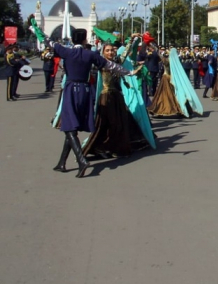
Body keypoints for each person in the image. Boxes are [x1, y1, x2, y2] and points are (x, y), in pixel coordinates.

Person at [39, 25, 134, 178]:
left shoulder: (66, 52)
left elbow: (47, 40)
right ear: (84, 40)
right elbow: (111, 65)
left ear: (72, 39)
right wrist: (129, 72)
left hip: (71, 90)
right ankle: (62, 163)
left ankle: (81, 160)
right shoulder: (90, 54)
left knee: (68, 126)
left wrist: (34, 28)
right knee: (71, 128)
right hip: (85, 91)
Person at [83, 43, 145, 158]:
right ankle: (100, 146)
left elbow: (125, 54)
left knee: (122, 121)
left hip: (116, 96)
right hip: (106, 97)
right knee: (106, 123)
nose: (110, 52)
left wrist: (132, 40)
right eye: (107, 50)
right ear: (103, 52)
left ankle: (118, 146)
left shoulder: (116, 62)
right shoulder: (100, 62)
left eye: (112, 50)